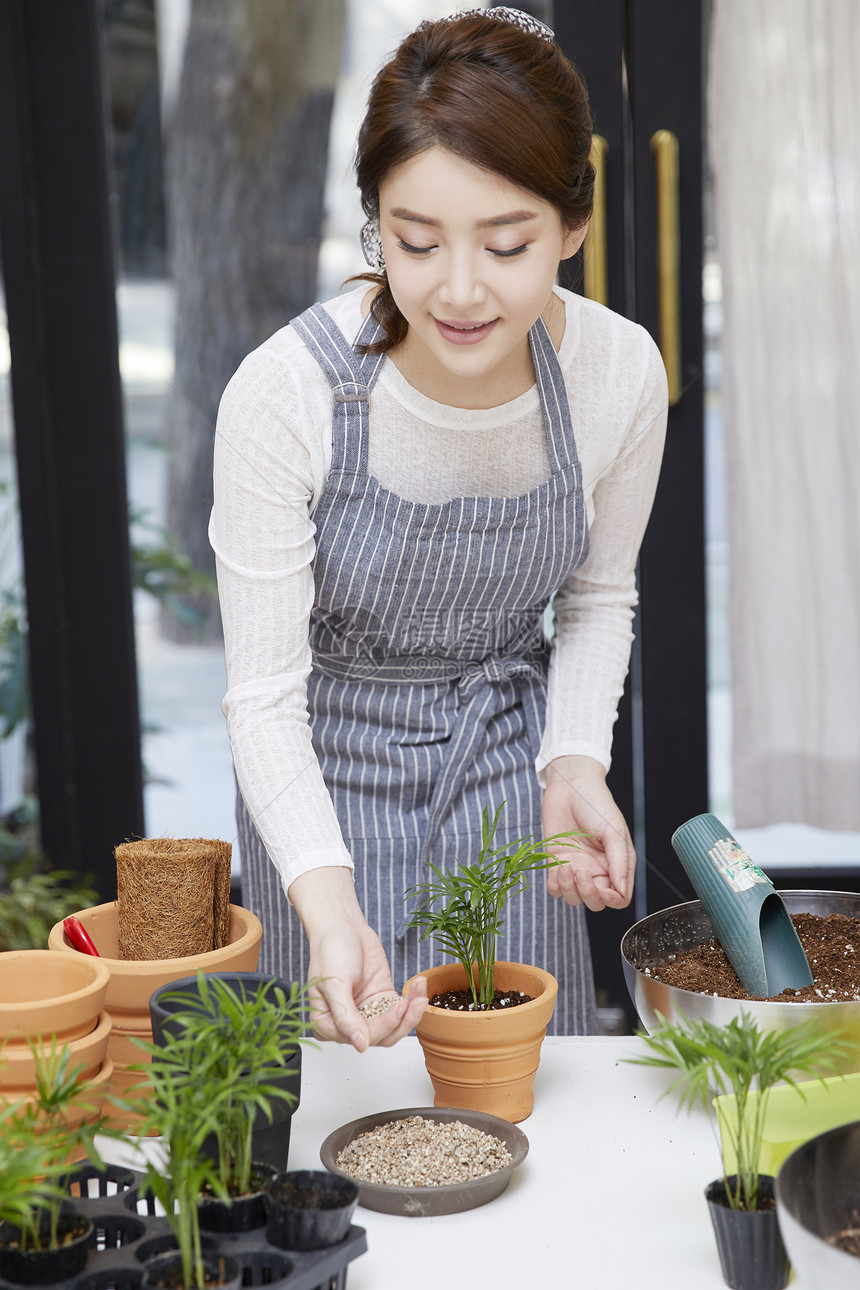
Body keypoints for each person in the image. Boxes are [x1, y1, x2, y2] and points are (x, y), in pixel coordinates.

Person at [210, 6, 668, 1051]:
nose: (457, 291)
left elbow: (596, 597)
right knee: (339, 1112)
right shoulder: (285, 396)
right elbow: (263, 697)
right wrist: (327, 909)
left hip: (507, 783)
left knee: (516, 1101)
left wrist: (571, 766)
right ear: (376, 221)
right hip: (318, 798)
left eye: (506, 245)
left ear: (572, 226)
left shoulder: (615, 373)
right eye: (413, 243)